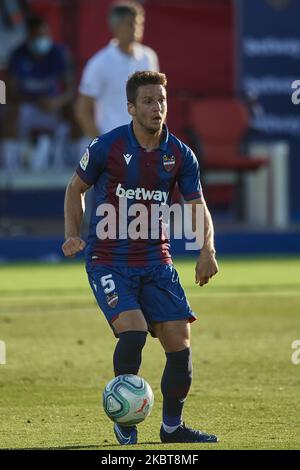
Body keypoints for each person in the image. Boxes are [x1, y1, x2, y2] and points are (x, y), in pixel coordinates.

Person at [62, 71, 219, 445]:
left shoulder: (180, 154)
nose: (157, 108)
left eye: (161, 100)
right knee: (133, 334)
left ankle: (171, 429)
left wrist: (207, 249)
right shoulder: (108, 146)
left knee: (180, 348)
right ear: (131, 107)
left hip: (156, 261)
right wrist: (72, 234)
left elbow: (197, 206)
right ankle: (125, 422)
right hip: (109, 260)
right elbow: (75, 188)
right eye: (148, 101)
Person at [1, 14, 76, 171]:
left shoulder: (59, 54)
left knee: (75, 110)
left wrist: (56, 102)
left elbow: (71, 90)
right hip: (27, 107)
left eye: (45, 35)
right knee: (9, 111)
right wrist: (35, 101)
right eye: (37, 36)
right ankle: (10, 167)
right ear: (29, 37)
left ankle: (75, 161)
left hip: (52, 107)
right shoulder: (17, 55)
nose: (42, 39)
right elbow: (9, 92)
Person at [76, 1, 159, 138]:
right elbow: (82, 110)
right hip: (114, 147)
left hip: (145, 146)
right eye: (130, 23)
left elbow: (158, 101)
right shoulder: (99, 63)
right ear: (116, 27)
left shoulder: (148, 57)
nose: (136, 28)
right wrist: (103, 146)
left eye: (139, 23)